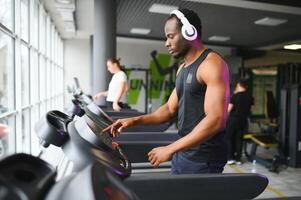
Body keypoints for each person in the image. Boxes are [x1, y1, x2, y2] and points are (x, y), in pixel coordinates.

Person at [104, 8, 230, 174]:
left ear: (189, 33)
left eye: (171, 36)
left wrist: (170, 149)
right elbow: (169, 109)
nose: (166, 43)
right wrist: (133, 121)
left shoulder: (212, 64)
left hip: (204, 158)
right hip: (184, 151)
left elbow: (215, 120)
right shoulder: (182, 68)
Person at [226, 79, 253, 165]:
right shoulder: (250, 97)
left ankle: (230, 158)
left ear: (238, 85)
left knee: (229, 138)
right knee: (239, 139)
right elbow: (252, 109)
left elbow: (229, 109)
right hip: (243, 121)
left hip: (233, 120)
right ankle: (238, 159)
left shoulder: (235, 96)